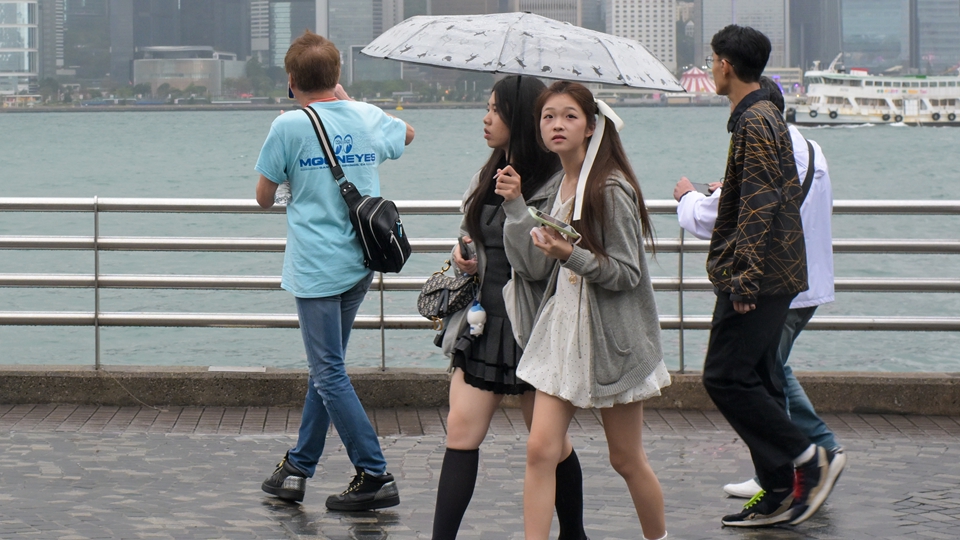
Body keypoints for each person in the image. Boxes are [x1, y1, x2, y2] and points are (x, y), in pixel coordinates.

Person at [254, 30, 414, 511]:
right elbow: (407, 133)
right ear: (337, 76)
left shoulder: (288, 126)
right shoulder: (365, 116)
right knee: (327, 369)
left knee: (328, 371)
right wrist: (349, 102)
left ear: (290, 80)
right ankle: (297, 468)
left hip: (318, 266)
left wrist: (296, 184)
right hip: (361, 261)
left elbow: (264, 196)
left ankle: (374, 472)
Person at [689, 25, 841, 528]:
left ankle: (803, 458)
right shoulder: (765, 116)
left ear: (726, 66)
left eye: (712, 61)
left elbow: (760, 205)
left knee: (724, 376)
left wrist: (745, 280)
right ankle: (778, 490)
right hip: (778, 276)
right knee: (754, 375)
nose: (711, 69)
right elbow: (768, 194)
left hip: (760, 279)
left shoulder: (754, 120)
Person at [509, 81, 670, 540]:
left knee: (626, 459)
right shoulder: (558, 186)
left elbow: (626, 273)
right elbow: (541, 264)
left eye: (569, 116)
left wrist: (568, 254)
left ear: (592, 126)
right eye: (548, 117)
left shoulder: (609, 187)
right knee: (540, 450)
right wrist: (520, 212)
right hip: (563, 332)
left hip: (611, 337)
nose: (557, 125)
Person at [431, 75, 587, 540]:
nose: (485, 118)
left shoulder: (553, 182)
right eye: (486, 108)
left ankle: (573, 533)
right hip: (484, 323)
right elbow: (479, 235)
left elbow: (540, 264)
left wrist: (519, 204)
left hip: (532, 323)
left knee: (550, 445)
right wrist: (465, 255)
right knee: (460, 433)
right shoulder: (491, 171)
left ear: (516, 119)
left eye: (495, 110)